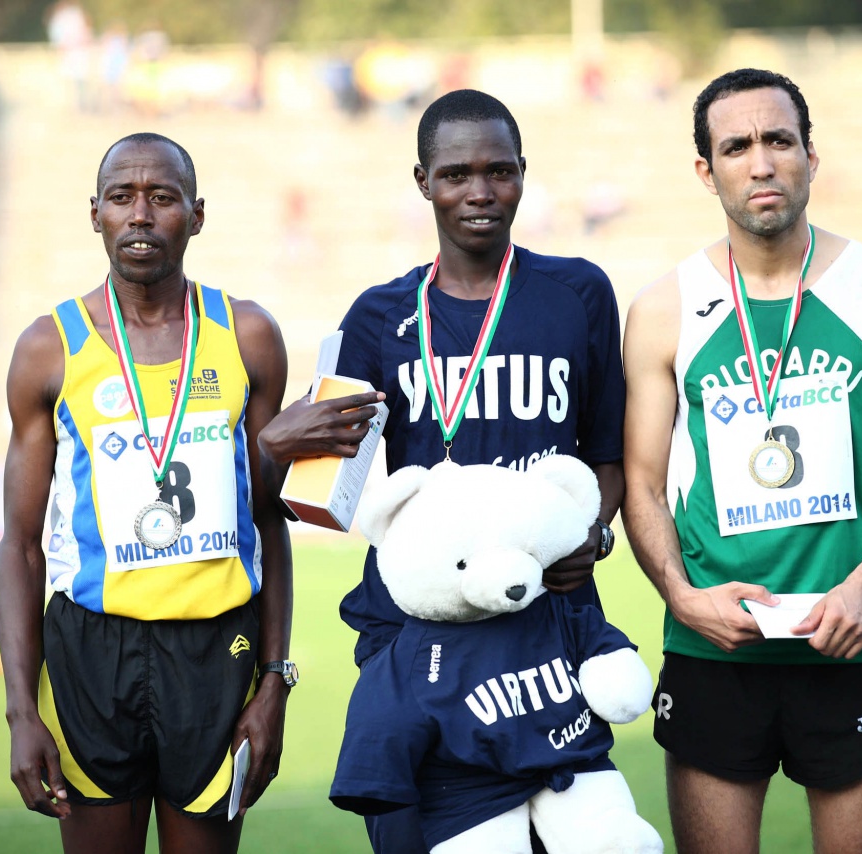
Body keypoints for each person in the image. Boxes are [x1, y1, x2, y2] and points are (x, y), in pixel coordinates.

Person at [258, 89, 627, 853]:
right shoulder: (377, 316)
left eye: (499, 171)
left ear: (523, 174)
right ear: (423, 181)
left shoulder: (579, 292)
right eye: (457, 174)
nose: (480, 192)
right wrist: (281, 446)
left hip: (544, 624)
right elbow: (320, 491)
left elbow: (607, 456)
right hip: (417, 632)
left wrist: (593, 533)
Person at [621, 68, 862, 854]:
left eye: (778, 140)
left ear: (811, 154)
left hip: (853, 637)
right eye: (736, 147)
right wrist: (681, 598)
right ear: (706, 170)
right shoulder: (663, 308)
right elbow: (639, 485)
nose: (761, 162)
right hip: (716, 645)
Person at [0, 132, 297, 854]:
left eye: (162, 197)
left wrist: (274, 684)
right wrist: (20, 712)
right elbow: (21, 544)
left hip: (216, 643)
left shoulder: (247, 335)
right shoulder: (48, 347)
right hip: (92, 649)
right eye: (121, 197)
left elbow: (269, 520)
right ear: (94, 213)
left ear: (196, 215)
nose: (140, 214)